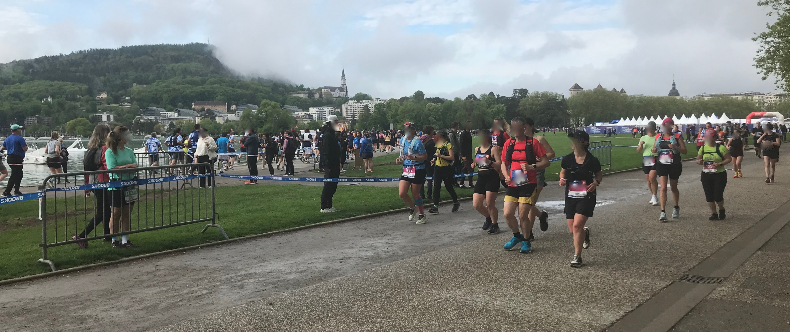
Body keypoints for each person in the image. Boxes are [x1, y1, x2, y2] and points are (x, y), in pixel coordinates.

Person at [501, 117, 550, 254]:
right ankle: (517, 236)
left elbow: (546, 162)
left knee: (523, 214)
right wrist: (506, 176)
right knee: (507, 213)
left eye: (518, 127)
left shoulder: (533, 143)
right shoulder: (508, 144)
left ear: (524, 128)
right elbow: (504, 163)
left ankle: (526, 240)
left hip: (529, 182)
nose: (515, 131)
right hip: (514, 181)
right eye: (513, 127)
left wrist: (531, 166)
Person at [559, 130, 602, 268]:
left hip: (587, 195)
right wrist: (561, 179)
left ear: (583, 142)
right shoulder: (567, 159)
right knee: (573, 229)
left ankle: (577, 257)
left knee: (577, 225)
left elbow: (599, 176)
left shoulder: (592, 161)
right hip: (571, 195)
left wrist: (595, 183)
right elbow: (563, 171)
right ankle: (584, 233)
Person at [73, 124, 112, 248]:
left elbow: (86, 170)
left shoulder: (90, 149)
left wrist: (87, 186)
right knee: (103, 211)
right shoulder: (105, 149)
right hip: (104, 181)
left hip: (94, 182)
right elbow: (107, 167)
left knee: (106, 210)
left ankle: (107, 235)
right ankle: (82, 235)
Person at [105, 126, 138, 248]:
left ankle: (125, 239)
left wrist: (124, 167)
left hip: (129, 185)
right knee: (116, 212)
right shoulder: (110, 152)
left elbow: (135, 164)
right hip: (116, 186)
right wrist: (126, 167)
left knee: (126, 212)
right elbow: (112, 168)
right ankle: (115, 239)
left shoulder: (129, 150)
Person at [651, 118, 687, 221]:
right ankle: (663, 212)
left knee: (673, 187)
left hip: (674, 164)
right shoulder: (658, 136)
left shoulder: (677, 136)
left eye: (669, 125)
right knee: (663, 188)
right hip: (662, 164)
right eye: (665, 125)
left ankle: (676, 207)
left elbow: (684, 151)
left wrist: (676, 147)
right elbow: (654, 149)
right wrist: (653, 150)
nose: (667, 127)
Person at [397, 122, 429, 224]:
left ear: (413, 130)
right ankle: (412, 207)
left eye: (408, 129)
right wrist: (399, 159)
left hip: (418, 169)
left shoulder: (417, 142)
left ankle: (421, 214)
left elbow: (425, 156)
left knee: (415, 194)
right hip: (407, 169)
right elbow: (403, 154)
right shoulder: (402, 140)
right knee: (402, 193)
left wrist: (414, 157)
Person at [528, 124, 556, 237]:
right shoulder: (518, 140)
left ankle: (528, 233)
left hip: (537, 171)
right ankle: (541, 215)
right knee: (524, 202)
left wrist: (541, 158)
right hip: (522, 173)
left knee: (530, 202)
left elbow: (551, 153)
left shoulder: (538, 139)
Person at [697, 131, 732, 220]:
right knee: (709, 196)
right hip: (706, 174)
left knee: (717, 195)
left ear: (714, 138)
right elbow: (698, 159)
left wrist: (720, 163)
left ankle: (721, 208)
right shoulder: (703, 148)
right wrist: (699, 161)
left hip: (719, 174)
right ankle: (714, 213)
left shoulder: (721, 148)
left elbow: (728, 159)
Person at [473, 129, 502, 234]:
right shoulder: (477, 149)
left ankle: (495, 225)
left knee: (490, 203)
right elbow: (476, 160)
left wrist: (490, 162)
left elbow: (499, 165)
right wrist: (474, 164)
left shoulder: (493, 149)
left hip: (492, 176)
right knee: (477, 204)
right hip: (481, 177)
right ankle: (488, 217)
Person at [428, 130, 460, 214]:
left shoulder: (448, 145)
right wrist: (433, 159)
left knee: (448, 186)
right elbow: (437, 153)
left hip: (446, 168)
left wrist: (441, 156)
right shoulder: (438, 144)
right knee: (436, 187)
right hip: (438, 167)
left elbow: (452, 157)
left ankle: (455, 201)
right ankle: (435, 206)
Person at [320, 116, 342, 213]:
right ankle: (324, 206)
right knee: (328, 185)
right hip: (330, 164)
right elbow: (326, 151)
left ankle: (329, 205)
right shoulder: (327, 135)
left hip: (334, 162)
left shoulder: (332, 134)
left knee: (333, 185)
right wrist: (327, 164)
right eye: (336, 122)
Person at [637, 121, 659, 206]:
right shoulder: (643, 137)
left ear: (654, 128)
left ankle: (654, 195)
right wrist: (641, 145)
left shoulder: (657, 137)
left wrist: (656, 149)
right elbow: (638, 151)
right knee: (649, 180)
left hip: (655, 158)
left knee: (652, 177)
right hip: (646, 158)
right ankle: (654, 195)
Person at [2, 124, 27, 197]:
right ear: (17, 130)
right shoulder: (20, 138)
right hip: (17, 158)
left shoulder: (7, 138)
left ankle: (16, 190)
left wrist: (10, 148)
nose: (20, 130)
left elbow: (3, 147)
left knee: (19, 174)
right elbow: (25, 148)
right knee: (14, 175)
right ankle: (7, 191)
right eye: (19, 129)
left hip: (10, 158)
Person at [420, 126, 436, 201]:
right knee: (430, 178)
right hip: (429, 161)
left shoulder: (419, 140)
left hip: (421, 161)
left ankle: (421, 194)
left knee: (421, 179)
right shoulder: (431, 141)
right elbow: (434, 152)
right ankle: (429, 194)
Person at [459, 121, 474, 188]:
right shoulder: (463, 134)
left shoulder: (468, 133)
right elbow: (461, 145)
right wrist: (463, 155)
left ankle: (462, 182)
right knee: (470, 168)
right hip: (465, 154)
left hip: (469, 153)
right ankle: (470, 183)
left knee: (465, 168)